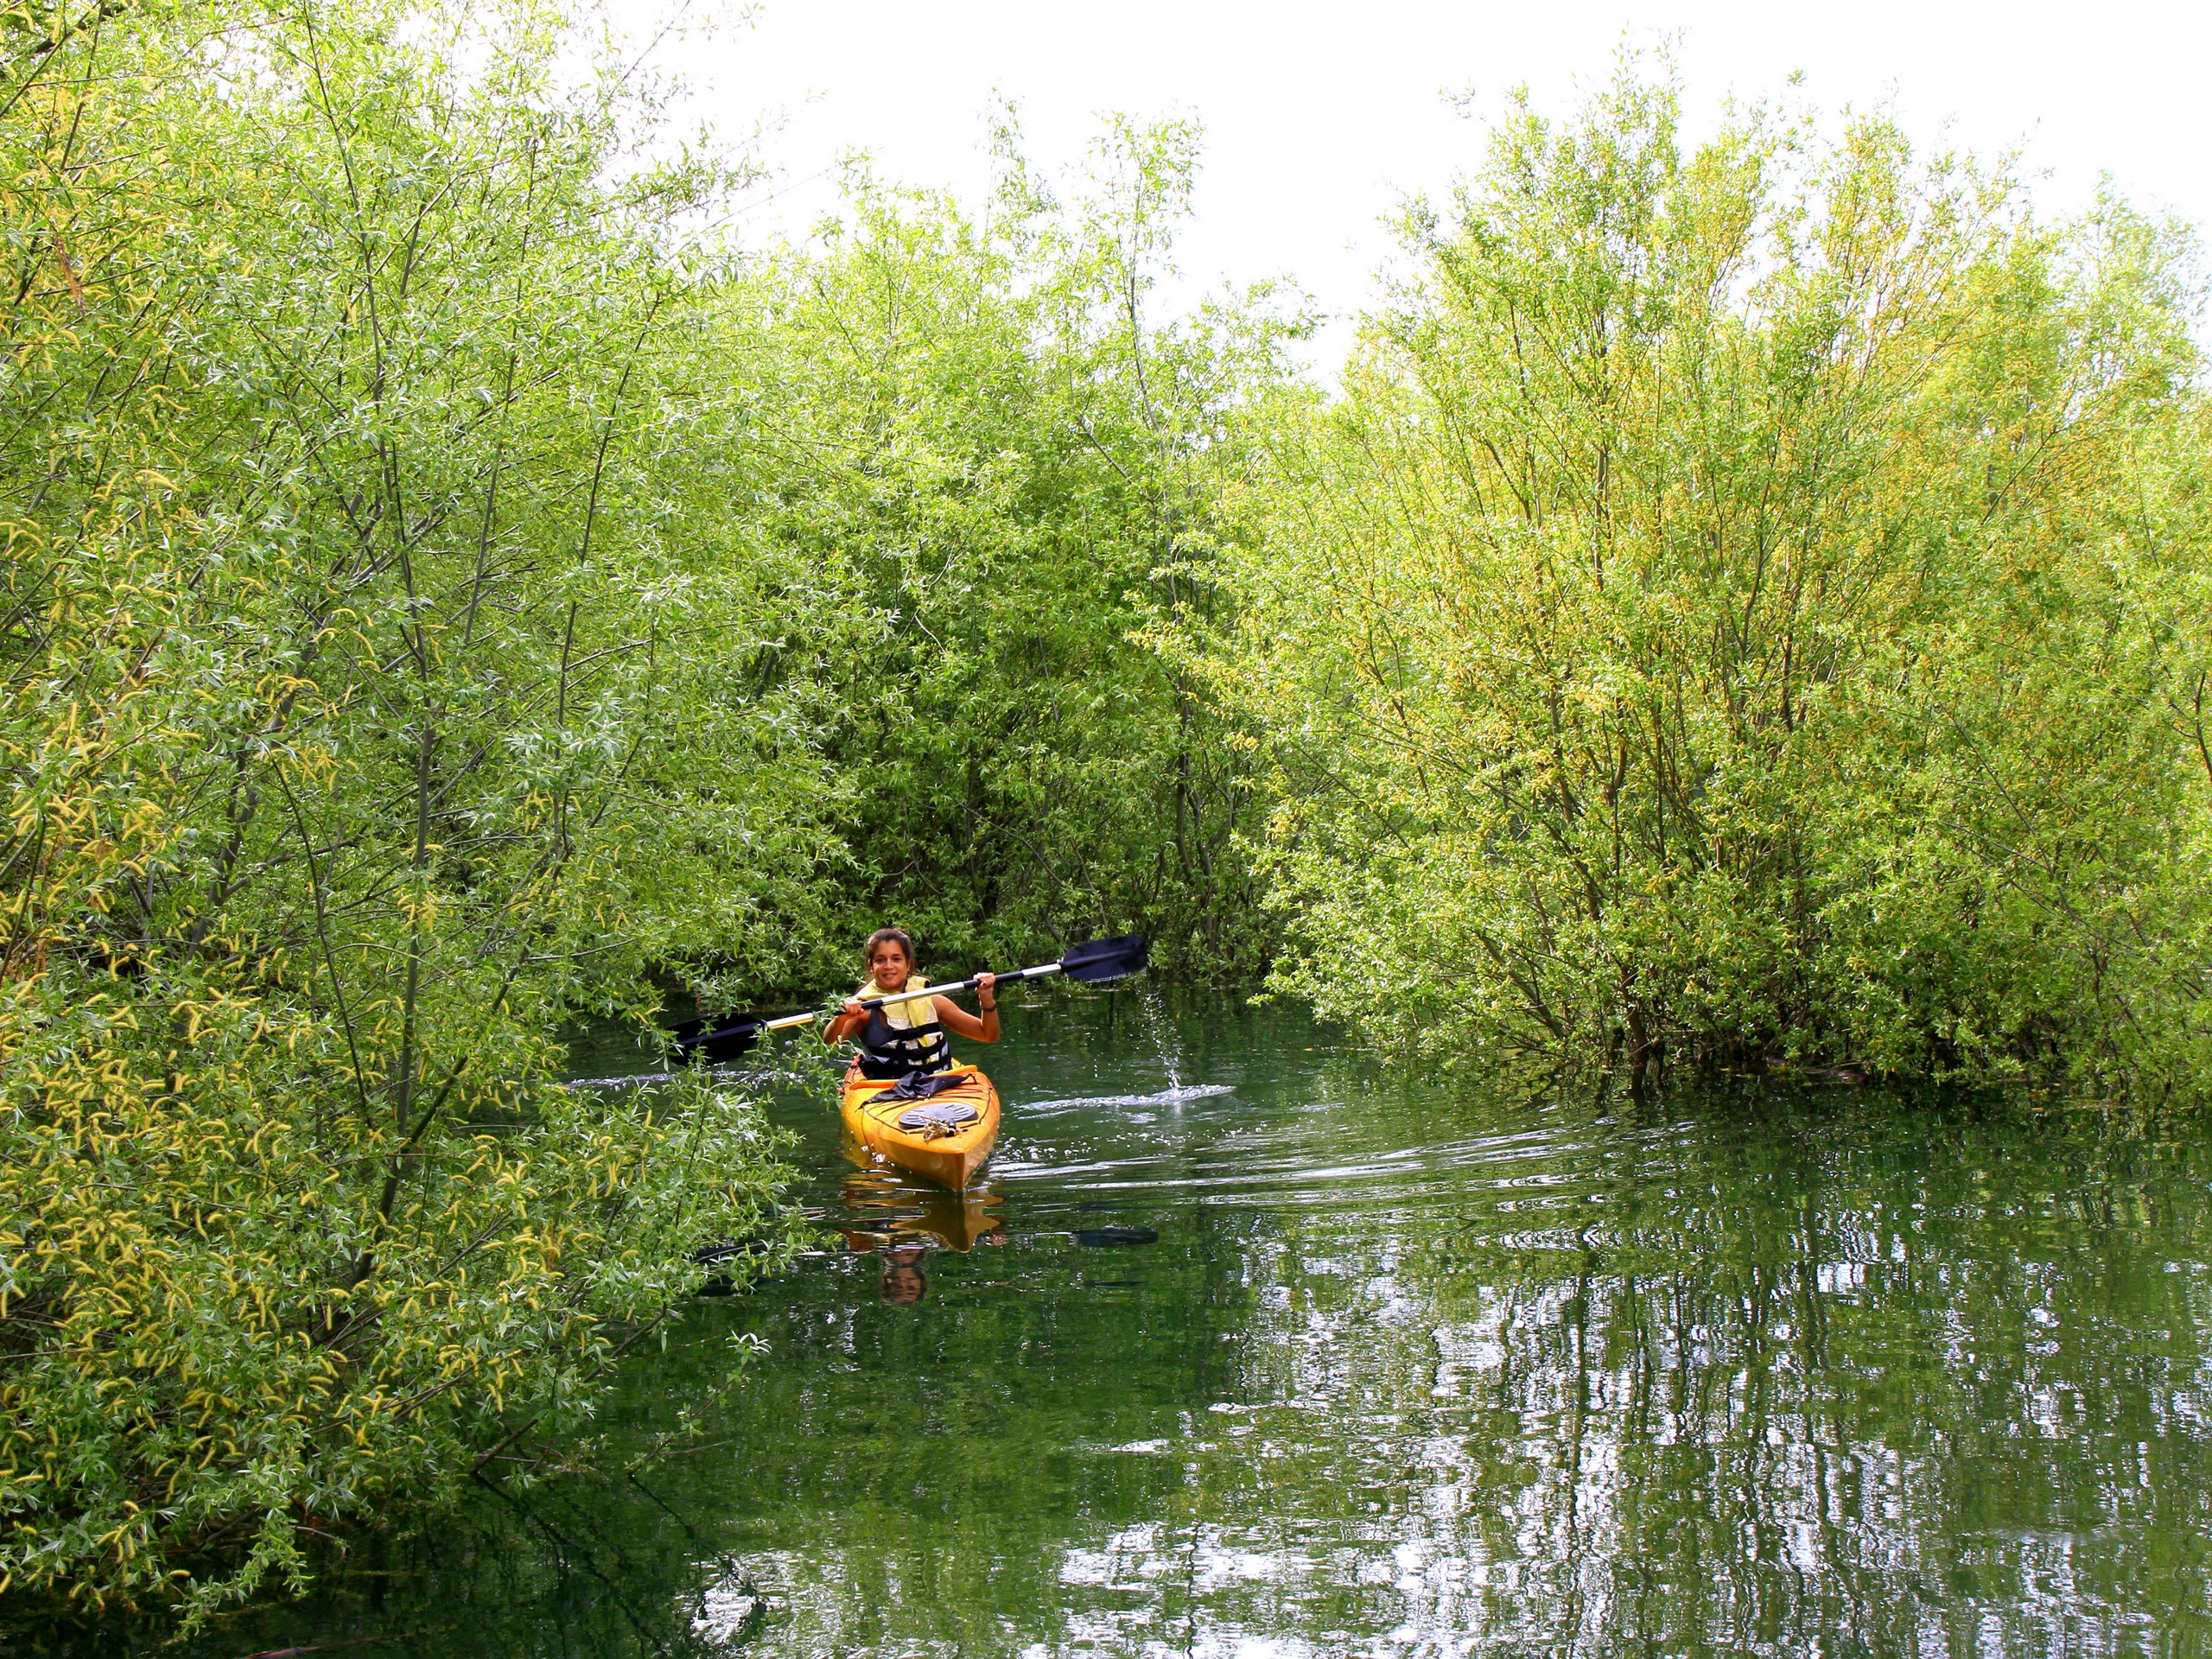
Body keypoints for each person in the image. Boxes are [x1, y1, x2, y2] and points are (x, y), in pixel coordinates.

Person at [821, 927, 998, 1081]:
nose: (888, 966)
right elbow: (829, 1044)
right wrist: (842, 1018)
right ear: (871, 965)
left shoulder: (932, 1001)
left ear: (908, 964)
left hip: (940, 1081)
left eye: (896, 959)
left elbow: (988, 1035)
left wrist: (986, 997)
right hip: (888, 1091)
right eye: (881, 960)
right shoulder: (864, 1009)